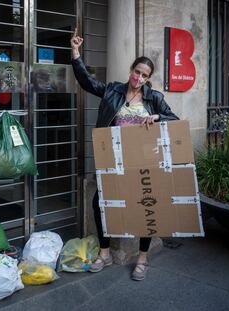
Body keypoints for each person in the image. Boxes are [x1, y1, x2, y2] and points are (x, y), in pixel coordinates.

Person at [70, 29, 179, 281]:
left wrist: (157, 116)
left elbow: (175, 120)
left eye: (144, 75)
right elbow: (87, 82)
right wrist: (75, 52)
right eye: (137, 71)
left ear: (148, 78)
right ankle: (105, 253)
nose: (139, 77)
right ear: (131, 70)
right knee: (101, 203)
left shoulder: (155, 98)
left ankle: (142, 257)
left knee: (145, 206)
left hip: (143, 161)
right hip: (113, 160)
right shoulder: (112, 91)